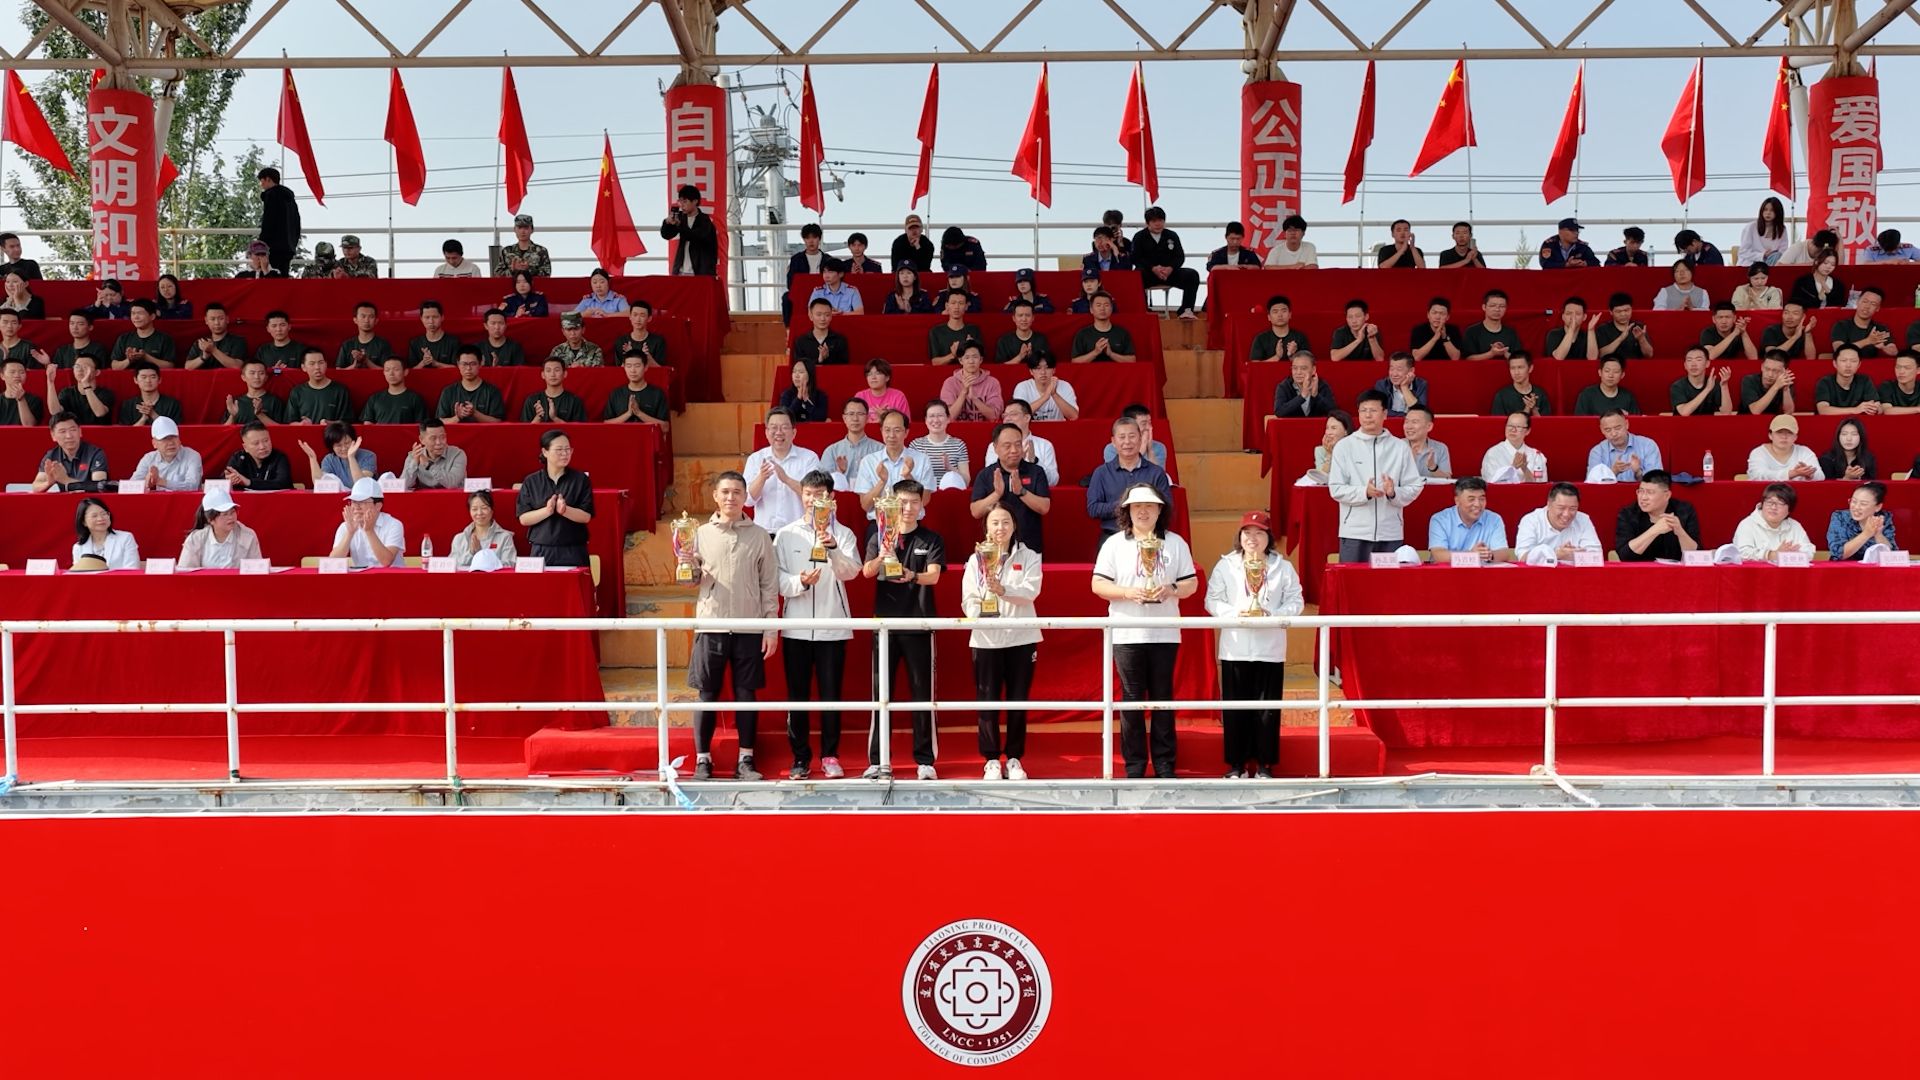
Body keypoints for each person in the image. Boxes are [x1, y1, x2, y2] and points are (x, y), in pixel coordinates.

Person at [1091, 484, 1197, 778]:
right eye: (1137, 506)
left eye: (1149, 506)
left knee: (1163, 697)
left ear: (1160, 510)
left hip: (1165, 632)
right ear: (1127, 510)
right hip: (1126, 633)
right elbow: (1098, 584)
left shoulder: (1175, 543)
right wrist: (1127, 593)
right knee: (1131, 698)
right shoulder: (1114, 544)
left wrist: (1171, 589)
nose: (1143, 511)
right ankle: (1135, 764)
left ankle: (1164, 763)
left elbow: (1191, 583)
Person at [678, 471, 778, 781]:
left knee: (746, 694)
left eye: (737, 492)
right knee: (706, 694)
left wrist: (770, 628)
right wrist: (686, 564)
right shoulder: (699, 534)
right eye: (725, 492)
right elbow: (690, 581)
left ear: (746, 496)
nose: (731, 497)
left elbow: (769, 585)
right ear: (715, 496)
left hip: (749, 626)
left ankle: (746, 760)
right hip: (711, 625)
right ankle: (702, 759)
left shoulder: (759, 535)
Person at [772, 469, 861, 780]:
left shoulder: (844, 534)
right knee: (797, 696)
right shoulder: (786, 534)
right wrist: (800, 582)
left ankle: (830, 755)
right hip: (796, 628)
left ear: (831, 498)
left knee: (831, 696)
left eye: (820, 495)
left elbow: (852, 572)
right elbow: (776, 580)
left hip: (832, 626)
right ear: (802, 496)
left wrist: (833, 549)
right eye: (808, 494)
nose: (813, 500)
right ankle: (800, 758)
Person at [1203, 510, 1302, 779]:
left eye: (1259, 533)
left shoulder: (1283, 567)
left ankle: (1265, 764)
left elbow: (1296, 600)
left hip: (1270, 649)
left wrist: (1275, 615)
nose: (1252, 538)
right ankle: (1236, 764)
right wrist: (1236, 615)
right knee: (1235, 709)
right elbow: (1212, 600)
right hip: (1235, 647)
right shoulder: (1226, 565)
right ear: (1240, 536)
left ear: (1269, 538)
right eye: (1247, 533)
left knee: (1267, 710)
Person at [860, 477, 945, 779]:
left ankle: (925, 760)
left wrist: (912, 575)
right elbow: (867, 572)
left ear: (922, 505)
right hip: (884, 626)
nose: (908, 508)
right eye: (903, 502)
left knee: (922, 694)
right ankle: (877, 760)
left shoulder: (931, 539)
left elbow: (934, 576)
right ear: (893, 504)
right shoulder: (879, 534)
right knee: (880, 694)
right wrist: (882, 554)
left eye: (914, 502)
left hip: (919, 624)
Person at [961, 504, 1044, 780]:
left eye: (1005, 522)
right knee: (987, 702)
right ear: (986, 527)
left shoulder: (1029, 556)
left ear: (1014, 525)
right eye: (994, 522)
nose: (1000, 528)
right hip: (986, 640)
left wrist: (1003, 590)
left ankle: (1015, 758)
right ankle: (991, 759)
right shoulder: (976, 559)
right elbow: (968, 599)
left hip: (1022, 638)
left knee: (1018, 700)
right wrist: (983, 615)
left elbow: (1031, 592)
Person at [1328, 390, 1425, 561]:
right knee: (1353, 577)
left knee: (1387, 578)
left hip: (1390, 532)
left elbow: (1414, 486)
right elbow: (1336, 489)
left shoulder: (1400, 447)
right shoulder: (1344, 446)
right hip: (1354, 532)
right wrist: (1364, 492)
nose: (1367, 415)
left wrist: (1393, 493)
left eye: (1373, 410)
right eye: (1363, 410)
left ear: (1385, 414)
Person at [514, 429, 595, 567]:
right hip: (541, 548)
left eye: (568, 449)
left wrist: (565, 510)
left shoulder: (581, 480)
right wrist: (547, 511)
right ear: (545, 452)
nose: (565, 454)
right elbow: (524, 518)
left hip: (573, 548)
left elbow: (586, 516)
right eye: (559, 450)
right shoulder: (531, 481)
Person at [969, 421, 1051, 553]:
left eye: (1018, 444)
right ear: (995, 448)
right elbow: (976, 511)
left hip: (1030, 546)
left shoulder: (1036, 471)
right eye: (1007, 446)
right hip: (995, 547)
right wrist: (996, 494)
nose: (1014, 450)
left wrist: (1021, 492)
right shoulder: (986, 475)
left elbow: (1044, 507)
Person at [1086, 415, 1172, 535]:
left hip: (1150, 536)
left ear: (1140, 439)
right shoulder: (1102, 473)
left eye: (1132, 436)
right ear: (1113, 442)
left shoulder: (1156, 473)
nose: (1127, 442)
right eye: (1122, 437)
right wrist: (1124, 505)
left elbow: (1167, 507)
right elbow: (1093, 509)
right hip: (1113, 535)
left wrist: (1142, 506)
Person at [744, 407, 822, 532]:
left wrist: (786, 479)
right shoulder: (755, 459)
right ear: (766, 432)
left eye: (784, 427)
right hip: (764, 532)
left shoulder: (809, 458)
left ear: (794, 432)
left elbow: (816, 496)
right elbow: (747, 500)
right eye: (773, 427)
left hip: (799, 531)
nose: (779, 432)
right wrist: (761, 478)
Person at [851, 408, 934, 512]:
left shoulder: (922, 460)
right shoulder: (868, 461)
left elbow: (924, 500)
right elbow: (865, 505)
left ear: (906, 432)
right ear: (881, 431)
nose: (891, 435)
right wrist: (882, 482)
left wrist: (908, 477)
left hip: (910, 519)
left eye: (897, 430)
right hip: (879, 520)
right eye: (887, 430)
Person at [1614, 470, 1701, 562]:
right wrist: (1655, 530)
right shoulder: (1628, 514)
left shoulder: (1684, 511)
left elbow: (1696, 557)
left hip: (1676, 570)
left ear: (1667, 495)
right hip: (1640, 570)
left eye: (1650, 492)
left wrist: (1680, 532)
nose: (1643, 497)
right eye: (1641, 491)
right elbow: (1625, 556)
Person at [1130, 206, 1200, 319]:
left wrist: (1170, 268)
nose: (1158, 224)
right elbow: (1135, 258)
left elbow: (1180, 256)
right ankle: (1143, 310)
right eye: (1154, 221)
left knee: (1192, 275)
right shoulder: (1139, 236)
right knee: (1135, 276)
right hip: (1149, 273)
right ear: (1147, 223)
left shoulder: (1172, 235)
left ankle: (1186, 310)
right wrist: (1153, 268)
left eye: (1160, 220)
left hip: (1170, 273)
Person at [1428, 477, 1512, 563]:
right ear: (1457, 501)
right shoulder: (1440, 520)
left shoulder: (1494, 519)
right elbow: (1438, 555)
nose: (1477, 504)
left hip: (1481, 570)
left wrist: (1488, 555)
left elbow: (1503, 553)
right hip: (1447, 571)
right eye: (1471, 499)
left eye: (1481, 499)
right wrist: (1470, 555)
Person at [1514, 483, 1602, 563]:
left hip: (1574, 574)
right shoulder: (1531, 521)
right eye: (1561, 508)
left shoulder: (1583, 520)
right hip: (1539, 574)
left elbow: (1597, 557)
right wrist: (1556, 555)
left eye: (1572, 509)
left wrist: (1575, 555)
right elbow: (1523, 558)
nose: (1566, 514)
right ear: (1549, 505)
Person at [328, 477, 404, 568]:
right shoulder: (346, 526)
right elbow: (333, 561)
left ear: (378, 506)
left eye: (362, 502)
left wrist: (369, 531)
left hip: (390, 576)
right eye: (354, 502)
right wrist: (349, 533)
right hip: (361, 576)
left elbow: (386, 562)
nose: (356, 507)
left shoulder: (394, 525)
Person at [982, 398, 1060, 485]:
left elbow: (1053, 481)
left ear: (1027, 418)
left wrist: (1035, 461)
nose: (1007, 419)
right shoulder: (995, 446)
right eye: (1005, 416)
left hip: (1035, 492)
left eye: (1013, 414)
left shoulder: (1044, 445)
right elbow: (990, 478)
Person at [178, 490, 262, 570]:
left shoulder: (248, 536)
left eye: (232, 512)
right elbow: (185, 572)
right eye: (225, 514)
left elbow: (257, 571)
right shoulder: (195, 539)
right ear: (211, 520)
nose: (231, 517)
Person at [1733, 483, 1813, 562]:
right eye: (1769, 502)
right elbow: (1742, 553)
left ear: (1789, 510)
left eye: (1780, 503)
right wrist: (1771, 555)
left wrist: (1791, 556)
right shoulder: (1747, 525)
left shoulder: (1795, 526)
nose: (1773, 507)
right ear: (1762, 504)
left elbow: (1809, 552)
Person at [31, 412, 109, 492]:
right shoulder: (51, 456)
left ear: (80, 431)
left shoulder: (95, 454)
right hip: (64, 498)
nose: (69, 436)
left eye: (73, 430)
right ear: (53, 435)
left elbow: (100, 487)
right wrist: (48, 483)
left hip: (89, 499)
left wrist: (65, 480)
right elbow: (35, 487)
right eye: (62, 431)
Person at [909, 399, 971, 491]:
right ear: (926, 420)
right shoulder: (916, 445)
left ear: (948, 419)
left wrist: (950, 468)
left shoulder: (958, 445)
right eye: (932, 416)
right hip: (924, 493)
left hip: (950, 493)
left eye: (940, 416)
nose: (936, 420)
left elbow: (966, 481)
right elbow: (910, 479)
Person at [130, 416, 204, 492]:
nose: (171, 443)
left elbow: (192, 486)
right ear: (154, 443)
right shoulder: (149, 458)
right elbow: (132, 486)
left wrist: (161, 481)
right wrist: (145, 484)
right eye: (164, 439)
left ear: (179, 439)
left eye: (173, 437)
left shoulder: (192, 456)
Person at [1587, 411, 1663, 482]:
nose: (1614, 434)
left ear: (1626, 424)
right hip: (1610, 492)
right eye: (1608, 430)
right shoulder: (1597, 452)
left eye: (1617, 428)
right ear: (1602, 430)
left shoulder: (1648, 445)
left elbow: (1657, 482)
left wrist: (1638, 472)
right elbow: (1592, 484)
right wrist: (1613, 472)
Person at [439, 346, 507, 424]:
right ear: (458, 364)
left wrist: (475, 413)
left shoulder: (492, 391)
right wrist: (457, 417)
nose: (468, 368)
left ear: (480, 363)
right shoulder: (448, 392)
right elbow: (440, 421)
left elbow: (498, 422)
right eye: (464, 364)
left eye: (473, 364)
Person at [660, 186, 718, 277]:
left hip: (700, 272)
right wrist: (667, 222)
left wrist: (679, 225)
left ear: (695, 201)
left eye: (685, 201)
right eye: (680, 201)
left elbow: (695, 236)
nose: (681, 205)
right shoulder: (681, 219)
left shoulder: (704, 220)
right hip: (680, 270)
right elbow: (666, 235)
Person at [1829, 482, 1896, 561]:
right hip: (1843, 567)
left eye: (1863, 504)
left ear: (1878, 507)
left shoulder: (1884, 519)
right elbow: (1838, 554)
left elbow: (1893, 557)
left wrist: (1878, 534)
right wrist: (1866, 534)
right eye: (1854, 501)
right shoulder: (1840, 517)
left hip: (1873, 567)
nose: (1856, 507)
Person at [1746, 414, 1823, 481]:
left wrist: (1810, 474)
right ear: (1770, 435)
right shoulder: (1758, 452)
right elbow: (1756, 475)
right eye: (1779, 432)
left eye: (1789, 433)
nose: (1784, 436)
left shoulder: (1804, 451)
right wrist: (1791, 474)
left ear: (1795, 437)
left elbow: (1820, 476)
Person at [940, 341, 1004, 423]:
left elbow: (994, 417)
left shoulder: (992, 382)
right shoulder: (950, 383)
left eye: (975, 357)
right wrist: (963, 393)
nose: (971, 361)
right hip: (957, 428)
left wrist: (974, 399)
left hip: (985, 428)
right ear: (960, 360)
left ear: (981, 359)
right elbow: (949, 418)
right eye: (967, 357)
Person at [822, 399, 881, 486]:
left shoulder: (880, 449)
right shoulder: (831, 451)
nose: (855, 418)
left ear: (867, 418)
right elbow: (823, 484)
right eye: (851, 414)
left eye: (860, 414)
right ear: (844, 418)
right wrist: (839, 472)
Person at [302, 420, 377, 488]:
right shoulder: (329, 459)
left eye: (347, 443)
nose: (344, 448)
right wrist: (312, 458)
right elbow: (320, 484)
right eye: (338, 445)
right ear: (332, 446)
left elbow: (362, 485)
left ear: (354, 441)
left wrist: (351, 457)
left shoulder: (369, 456)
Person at [71, 497, 140, 570]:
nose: (100, 518)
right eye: (94, 516)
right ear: (84, 522)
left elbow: (132, 570)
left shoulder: (126, 538)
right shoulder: (78, 547)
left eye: (104, 514)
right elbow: (78, 574)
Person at [401, 417, 468, 491]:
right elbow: (402, 486)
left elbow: (452, 483)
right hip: (425, 497)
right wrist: (414, 463)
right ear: (422, 440)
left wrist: (429, 465)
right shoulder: (415, 455)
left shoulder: (457, 454)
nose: (439, 442)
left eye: (442, 437)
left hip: (453, 496)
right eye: (433, 438)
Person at [223, 421, 292, 492]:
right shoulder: (238, 458)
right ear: (245, 447)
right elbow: (224, 480)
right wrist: (230, 479)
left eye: (266, 441)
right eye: (256, 443)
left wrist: (248, 482)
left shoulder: (279, 457)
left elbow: (283, 483)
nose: (262, 447)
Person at [288, 348, 352, 425]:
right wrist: (301, 425)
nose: (317, 367)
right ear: (303, 367)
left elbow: (347, 422)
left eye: (321, 363)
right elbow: (290, 422)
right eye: (312, 363)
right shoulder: (297, 392)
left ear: (326, 364)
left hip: (332, 432)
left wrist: (330, 423)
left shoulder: (340, 390)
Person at [256, 166, 301, 274]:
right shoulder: (290, 200)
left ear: (268, 179)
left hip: (273, 248)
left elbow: (268, 222)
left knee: (269, 278)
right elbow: (297, 224)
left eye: (262, 181)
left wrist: (261, 244)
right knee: (282, 279)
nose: (261, 185)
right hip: (288, 248)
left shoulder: (271, 195)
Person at [1831, 287, 1898, 358]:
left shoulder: (1881, 328)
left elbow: (1894, 351)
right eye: (1865, 301)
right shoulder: (1841, 326)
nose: (1867, 306)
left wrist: (1883, 347)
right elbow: (1839, 350)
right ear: (1857, 302)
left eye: (1873, 304)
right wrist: (1868, 341)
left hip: (1871, 364)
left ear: (1877, 308)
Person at [1815, 345, 1881, 416]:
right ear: (1835, 363)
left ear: (1859, 364)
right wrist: (1855, 410)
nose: (1848, 365)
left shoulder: (1864, 380)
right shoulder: (1825, 382)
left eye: (1853, 361)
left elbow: (1878, 407)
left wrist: (1874, 408)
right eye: (1843, 360)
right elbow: (1823, 410)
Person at [604, 356, 669, 428]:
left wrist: (639, 413)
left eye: (637, 366)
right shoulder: (616, 394)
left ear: (645, 367)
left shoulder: (657, 394)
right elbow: (606, 424)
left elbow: (665, 427)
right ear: (624, 368)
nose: (633, 370)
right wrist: (628, 414)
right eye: (629, 366)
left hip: (646, 435)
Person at [1481, 412, 1547, 484]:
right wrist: (1513, 468)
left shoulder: (1536, 455)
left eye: (1518, 427)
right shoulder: (1493, 453)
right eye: (1510, 425)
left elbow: (1540, 485)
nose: (1513, 430)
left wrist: (1525, 469)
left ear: (1527, 431)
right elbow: (1491, 483)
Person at [359, 358, 429, 425]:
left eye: (396, 369)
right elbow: (367, 423)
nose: (391, 374)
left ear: (405, 372)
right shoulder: (374, 398)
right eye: (387, 370)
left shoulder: (415, 398)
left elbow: (421, 426)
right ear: (384, 373)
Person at [1069, 293, 1135, 363]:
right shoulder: (1082, 334)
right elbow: (1074, 361)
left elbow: (1132, 360)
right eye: (1098, 305)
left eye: (1106, 305)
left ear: (1111, 309)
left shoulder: (1122, 333)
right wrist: (1095, 352)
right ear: (1091, 309)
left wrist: (1111, 354)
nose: (1102, 308)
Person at [792, 298, 851, 377]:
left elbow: (844, 368)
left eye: (827, 315)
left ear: (831, 317)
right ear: (811, 316)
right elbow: (798, 368)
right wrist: (819, 360)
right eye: (819, 315)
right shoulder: (801, 341)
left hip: (834, 379)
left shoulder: (840, 340)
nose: (823, 319)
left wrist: (827, 358)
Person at [111, 300, 177, 369]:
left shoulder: (165, 339)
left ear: (152, 316)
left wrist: (146, 357)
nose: (136, 317)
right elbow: (114, 366)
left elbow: (170, 366)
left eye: (140, 313)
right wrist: (129, 360)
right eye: (133, 313)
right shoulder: (123, 338)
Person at [1670, 346, 1736, 416]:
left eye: (1698, 360)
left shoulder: (1713, 383)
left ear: (1707, 363)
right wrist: (1707, 389)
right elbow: (1684, 412)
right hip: (1683, 422)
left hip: (1707, 422)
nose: (1693, 364)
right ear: (1685, 365)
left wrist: (1724, 386)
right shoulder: (1677, 386)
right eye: (1689, 360)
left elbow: (1727, 412)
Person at [48, 353, 113, 423]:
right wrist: (50, 383)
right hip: (73, 429)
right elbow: (55, 412)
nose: (80, 370)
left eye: (85, 367)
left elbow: (99, 413)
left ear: (97, 372)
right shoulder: (67, 392)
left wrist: (85, 383)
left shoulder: (106, 393)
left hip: (98, 430)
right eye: (77, 366)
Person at [1105, 404, 1170, 473]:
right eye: (1144, 424)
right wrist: (1141, 450)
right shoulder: (1112, 449)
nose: (1149, 428)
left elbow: (1159, 476)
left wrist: (1150, 450)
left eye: (1150, 423)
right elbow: (1119, 476)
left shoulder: (1159, 447)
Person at [1011, 355, 1078, 422]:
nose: (1043, 372)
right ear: (1031, 371)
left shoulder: (1064, 386)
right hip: (1031, 428)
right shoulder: (1022, 387)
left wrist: (1054, 394)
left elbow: (1074, 416)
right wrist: (1045, 397)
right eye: (1038, 368)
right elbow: (1018, 414)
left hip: (1058, 427)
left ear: (1054, 370)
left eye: (1047, 368)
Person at [116, 361, 182, 427]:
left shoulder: (172, 404)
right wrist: (143, 419)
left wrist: (153, 414)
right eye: (143, 377)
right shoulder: (128, 405)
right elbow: (125, 432)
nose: (148, 381)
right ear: (135, 380)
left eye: (153, 377)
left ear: (159, 380)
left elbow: (173, 430)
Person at [520, 358, 587, 422]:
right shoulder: (531, 400)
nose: (552, 374)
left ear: (565, 374)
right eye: (548, 370)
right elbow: (524, 429)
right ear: (543, 375)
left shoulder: (574, 401)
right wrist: (538, 417)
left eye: (557, 370)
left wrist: (554, 418)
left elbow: (579, 429)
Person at [927, 289, 983, 364]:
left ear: (966, 306)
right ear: (947, 306)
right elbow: (935, 362)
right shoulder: (936, 331)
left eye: (961, 303)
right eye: (953, 303)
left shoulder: (974, 330)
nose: (956, 307)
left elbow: (980, 358)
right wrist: (953, 355)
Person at [184, 303, 248, 370]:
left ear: (227, 319)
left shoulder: (238, 341)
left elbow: (237, 366)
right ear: (206, 321)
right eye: (212, 319)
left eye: (221, 318)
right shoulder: (201, 342)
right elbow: (187, 367)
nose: (217, 323)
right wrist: (203, 357)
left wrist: (213, 350)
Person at [1272, 351, 1336, 418]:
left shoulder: (1321, 385)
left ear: (1313, 370)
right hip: (1292, 425)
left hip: (1316, 425)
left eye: (1303, 368)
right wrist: (1302, 396)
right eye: (1295, 368)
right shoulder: (1284, 386)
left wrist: (1316, 396)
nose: (1298, 372)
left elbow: (1334, 412)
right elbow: (1279, 412)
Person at [1591, 293, 1653, 360]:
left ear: (1631, 309)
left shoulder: (1639, 327)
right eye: (1618, 311)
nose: (1623, 314)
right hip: (1613, 365)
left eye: (1626, 310)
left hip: (1636, 365)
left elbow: (1649, 355)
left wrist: (1641, 339)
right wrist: (1621, 338)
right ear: (1611, 312)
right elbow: (1602, 355)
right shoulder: (1603, 329)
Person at [1463, 290, 1522, 360]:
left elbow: (1520, 358)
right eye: (1492, 306)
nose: (1497, 309)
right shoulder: (1472, 331)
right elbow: (1468, 359)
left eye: (1502, 306)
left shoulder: (1511, 332)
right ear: (1484, 307)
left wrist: (1505, 353)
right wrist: (1491, 353)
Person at [1250, 294, 1310, 361]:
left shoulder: (1300, 337)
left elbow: (1308, 363)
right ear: (1269, 317)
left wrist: (1292, 356)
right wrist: (1277, 357)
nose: (1280, 315)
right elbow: (1254, 365)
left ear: (1290, 314)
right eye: (1275, 311)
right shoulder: (1260, 339)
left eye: (1284, 311)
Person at [1573, 358, 1642, 416]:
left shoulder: (1628, 396)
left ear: (1622, 375)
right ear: (1600, 372)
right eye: (1607, 371)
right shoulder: (1586, 394)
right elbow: (1580, 421)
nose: (1610, 375)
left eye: (1616, 372)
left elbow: (1636, 421)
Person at [994, 299, 1054, 365]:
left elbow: (1048, 365)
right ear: (1014, 318)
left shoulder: (1041, 339)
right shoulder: (1004, 341)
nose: (1024, 319)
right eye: (1020, 315)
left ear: (1033, 318)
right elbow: (999, 367)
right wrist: (1020, 356)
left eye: (1027, 315)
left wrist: (1033, 357)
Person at [493, 213, 553, 277]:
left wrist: (529, 269)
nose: (522, 231)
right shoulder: (506, 251)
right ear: (514, 229)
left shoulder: (541, 251)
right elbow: (497, 274)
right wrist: (512, 270)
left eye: (526, 228)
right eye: (519, 227)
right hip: (512, 283)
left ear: (532, 230)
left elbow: (547, 273)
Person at [853, 360, 910, 428]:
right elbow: (853, 421)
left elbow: (906, 424)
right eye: (869, 374)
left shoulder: (898, 396)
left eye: (878, 373)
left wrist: (885, 418)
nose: (873, 377)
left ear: (887, 377)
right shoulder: (860, 396)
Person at [1740, 351, 1799, 415]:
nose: (1770, 375)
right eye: (1767, 369)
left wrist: (1786, 390)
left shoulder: (1786, 382)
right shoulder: (1749, 380)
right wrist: (1776, 387)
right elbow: (1755, 411)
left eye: (1776, 371)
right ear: (1762, 367)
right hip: (1747, 419)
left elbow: (1788, 413)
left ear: (1785, 371)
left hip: (1774, 420)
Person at [1819, 417, 1877, 481]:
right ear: (1838, 437)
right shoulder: (1827, 459)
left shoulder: (1868, 458)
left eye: (1854, 434)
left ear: (1861, 437)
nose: (1849, 439)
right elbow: (1826, 484)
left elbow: (1872, 483)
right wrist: (1846, 479)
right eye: (1844, 434)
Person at [613, 300, 667, 369]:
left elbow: (661, 370)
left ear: (649, 318)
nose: (638, 319)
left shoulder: (658, 341)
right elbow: (618, 371)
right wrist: (628, 356)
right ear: (630, 317)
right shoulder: (621, 341)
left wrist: (648, 358)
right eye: (635, 315)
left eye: (642, 315)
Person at [1402, 405, 1451, 478]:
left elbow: (1448, 479)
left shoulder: (1440, 448)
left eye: (1414, 422)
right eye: (1406, 422)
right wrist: (1409, 462)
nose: (1409, 426)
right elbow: (1388, 478)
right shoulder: (1395, 446)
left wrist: (1433, 467)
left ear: (1429, 426)